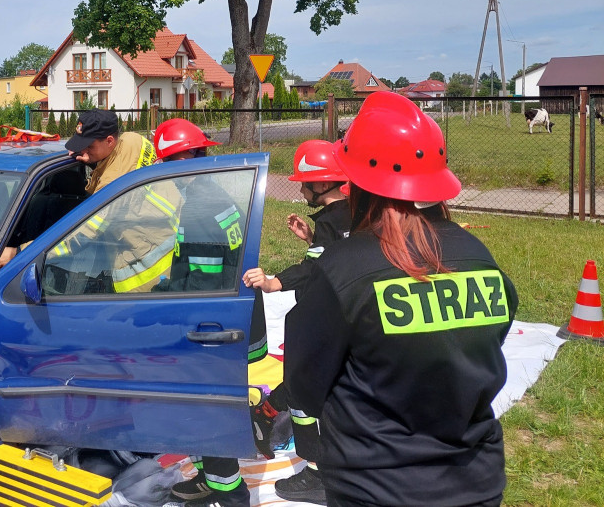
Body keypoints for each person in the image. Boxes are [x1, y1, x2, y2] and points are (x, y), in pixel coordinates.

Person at [284, 91, 518, 506]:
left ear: (353, 180)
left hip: (375, 487)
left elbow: (304, 386)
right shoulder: (478, 255)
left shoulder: (340, 269)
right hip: (476, 483)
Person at [239, 139, 351, 504]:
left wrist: (272, 283)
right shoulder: (352, 214)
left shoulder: (333, 223)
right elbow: (335, 257)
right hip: (349, 317)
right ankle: (269, 410)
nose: (300, 188)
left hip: (323, 321)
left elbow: (315, 268)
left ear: (322, 185)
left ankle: (316, 473)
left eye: (304, 183)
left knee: (305, 395)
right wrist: (311, 237)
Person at [154, 119, 250, 507]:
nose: (170, 174)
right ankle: (216, 480)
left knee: (200, 408)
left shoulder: (198, 207)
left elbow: (205, 280)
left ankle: (227, 491)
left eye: (172, 163)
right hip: (220, 313)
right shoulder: (215, 194)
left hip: (205, 323)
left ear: (191, 158)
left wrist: (165, 303)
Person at [0, 108, 157, 272]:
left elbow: (83, 234)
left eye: (89, 146)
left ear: (109, 141)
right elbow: (119, 165)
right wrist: (96, 161)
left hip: (143, 263)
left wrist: (19, 253)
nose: (84, 150)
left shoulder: (112, 185)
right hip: (159, 232)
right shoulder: (134, 140)